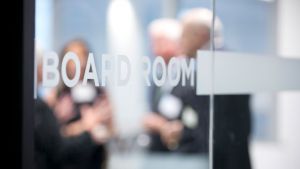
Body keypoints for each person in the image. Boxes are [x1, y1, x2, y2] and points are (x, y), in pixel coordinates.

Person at [180, 8, 252, 169]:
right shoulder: (221, 62)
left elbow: (216, 128)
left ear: (200, 34)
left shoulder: (218, 64)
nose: (180, 41)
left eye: (184, 35)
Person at [34, 42, 112, 169]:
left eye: (83, 55)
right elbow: (53, 139)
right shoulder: (55, 96)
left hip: (95, 160)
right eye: (74, 56)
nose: (80, 61)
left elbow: (111, 129)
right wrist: (85, 126)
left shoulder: (100, 93)